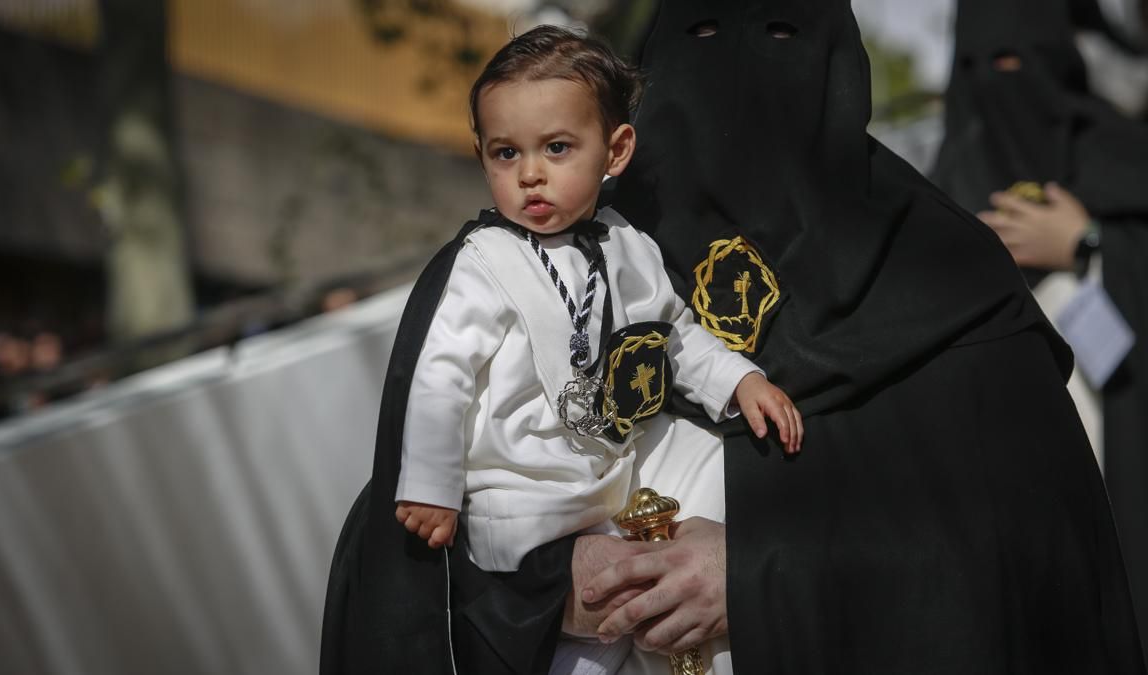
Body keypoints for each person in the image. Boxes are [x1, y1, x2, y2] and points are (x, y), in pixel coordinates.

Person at [589, 0, 1144, 672]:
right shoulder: (560, 264)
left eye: (783, 35)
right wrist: (572, 578)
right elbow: (455, 526)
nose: (741, 69)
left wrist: (766, 580)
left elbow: (1038, 563)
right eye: (700, 35)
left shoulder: (953, 286)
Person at [320, 24, 800, 674]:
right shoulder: (481, 264)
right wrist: (432, 485)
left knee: (714, 477)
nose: (532, 175)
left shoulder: (627, 244)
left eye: (556, 147)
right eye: (506, 154)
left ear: (616, 149)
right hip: (521, 503)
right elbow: (439, 377)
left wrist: (739, 380)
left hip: (610, 478)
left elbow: (674, 332)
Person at [932, 0, 1148, 661]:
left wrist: (1090, 243)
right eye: (981, 66)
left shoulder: (1127, 163)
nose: (1002, 82)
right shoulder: (937, 191)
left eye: (1017, 63)